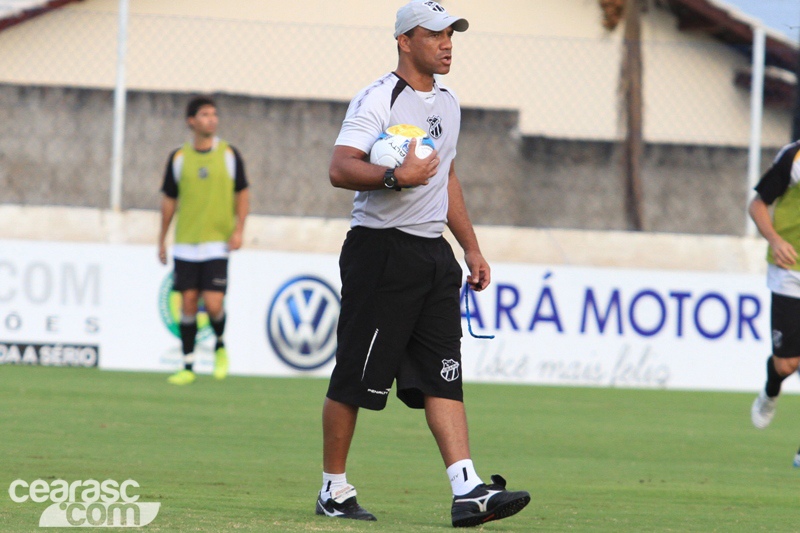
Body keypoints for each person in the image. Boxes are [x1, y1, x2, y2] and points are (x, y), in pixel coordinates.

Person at [316, 1, 530, 527]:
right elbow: (340, 168)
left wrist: (470, 247)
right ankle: (333, 490)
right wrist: (395, 177)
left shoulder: (450, 103)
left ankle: (467, 490)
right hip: (381, 251)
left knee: (444, 375)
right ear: (404, 41)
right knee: (354, 379)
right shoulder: (377, 99)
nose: (447, 42)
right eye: (434, 34)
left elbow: (447, 178)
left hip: (434, 255)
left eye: (450, 33)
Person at [157, 95, 249, 386]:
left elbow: (242, 194)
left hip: (216, 244)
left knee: (212, 303)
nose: (212, 119)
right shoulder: (178, 158)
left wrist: (239, 230)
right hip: (185, 242)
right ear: (191, 121)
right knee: (186, 303)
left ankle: (220, 346)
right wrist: (162, 239)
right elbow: (169, 200)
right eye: (205, 114)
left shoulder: (229, 155)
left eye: (214, 114)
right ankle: (187, 365)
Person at [749, 138, 800, 429]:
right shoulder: (793, 157)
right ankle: (771, 391)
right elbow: (757, 204)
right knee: (787, 364)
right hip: (790, 271)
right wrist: (775, 239)